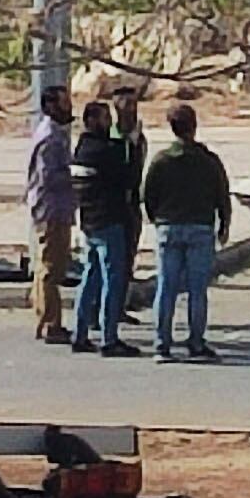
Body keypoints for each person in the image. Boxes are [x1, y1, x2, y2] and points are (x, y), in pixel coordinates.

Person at [143, 96, 233, 364]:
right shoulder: (208, 160)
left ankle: (162, 344)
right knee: (197, 290)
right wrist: (224, 224)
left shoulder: (161, 161)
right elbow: (222, 195)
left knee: (166, 287)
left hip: (169, 227)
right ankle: (196, 342)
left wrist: (158, 219)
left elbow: (148, 195)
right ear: (194, 126)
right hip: (200, 227)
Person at [67, 91, 142, 355]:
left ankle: (80, 332)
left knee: (90, 277)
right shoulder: (106, 151)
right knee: (113, 279)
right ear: (93, 121)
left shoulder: (82, 149)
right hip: (110, 220)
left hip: (89, 222)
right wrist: (131, 146)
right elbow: (129, 179)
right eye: (105, 118)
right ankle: (109, 338)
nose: (109, 123)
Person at [24, 83, 77, 344]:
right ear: (51, 106)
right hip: (52, 208)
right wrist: (75, 175)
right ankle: (50, 323)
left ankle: (45, 316)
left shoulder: (56, 133)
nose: (70, 107)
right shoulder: (51, 138)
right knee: (50, 267)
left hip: (55, 207)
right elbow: (48, 177)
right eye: (64, 102)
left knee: (48, 265)